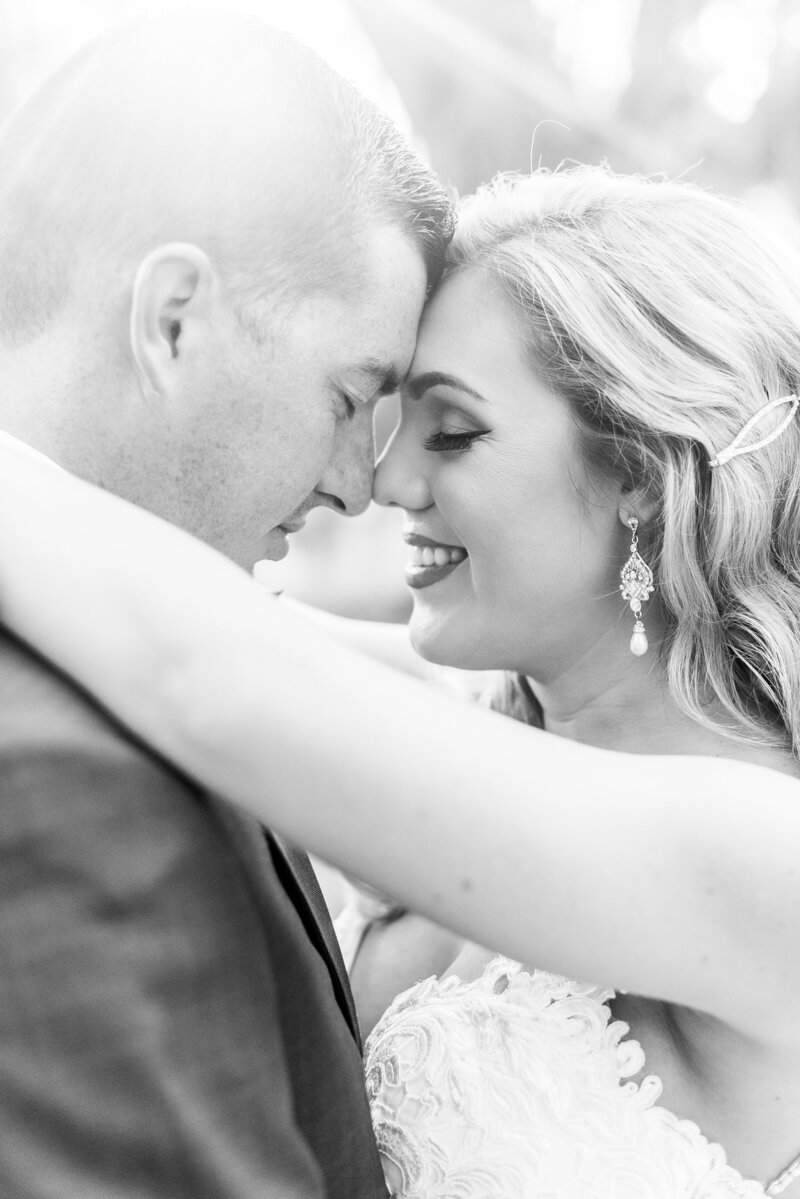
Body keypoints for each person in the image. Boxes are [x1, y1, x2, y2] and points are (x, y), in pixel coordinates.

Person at [2, 166, 800, 1197]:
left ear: (641, 473)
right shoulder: (478, 724)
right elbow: (206, 612)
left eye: (454, 429)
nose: (386, 480)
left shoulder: (766, 858)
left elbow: (206, 671)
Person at [0, 14, 453, 1197]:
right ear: (173, 321)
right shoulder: (57, 787)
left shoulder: (163, 643)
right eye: (352, 395)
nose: (361, 482)